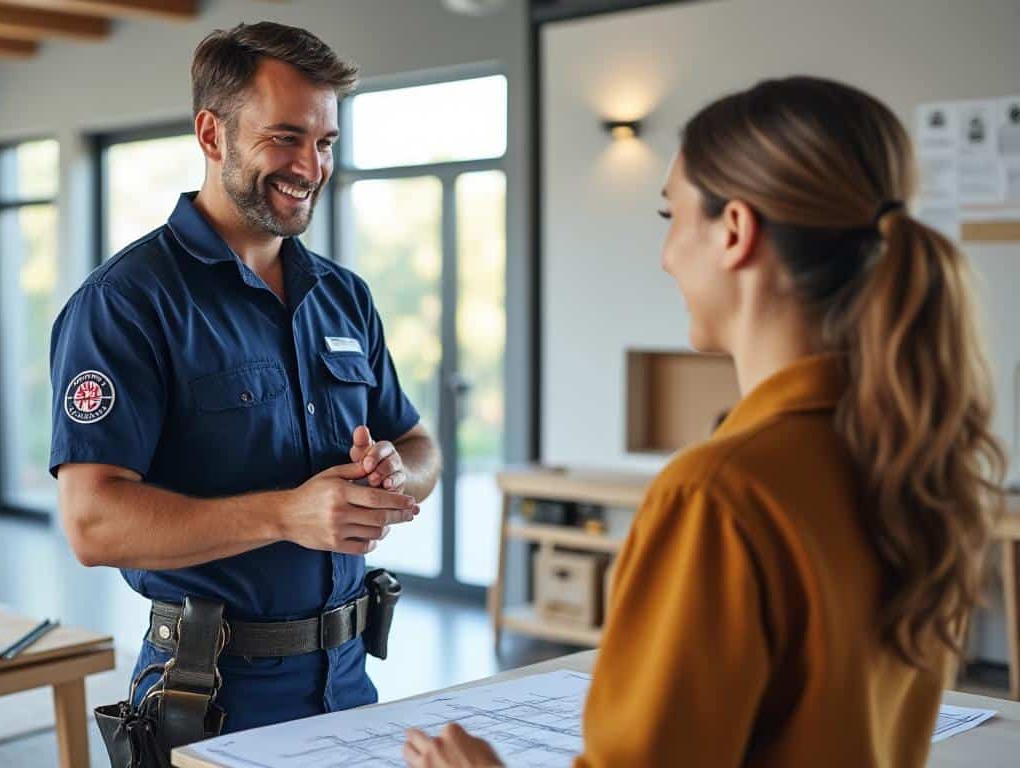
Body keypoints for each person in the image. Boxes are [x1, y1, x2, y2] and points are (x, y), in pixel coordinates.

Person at [404, 76, 1006, 767]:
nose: (665, 256)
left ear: (736, 231)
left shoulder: (718, 494)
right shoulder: (917, 458)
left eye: (670, 217)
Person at [50, 22, 441, 733]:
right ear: (211, 134)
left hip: (350, 681)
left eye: (325, 143)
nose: (312, 166)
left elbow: (420, 445)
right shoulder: (127, 302)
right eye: (285, 137)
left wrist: (392, 479)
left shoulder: (343, 295)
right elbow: (91, 523)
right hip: (210, 694)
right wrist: (287, 513)